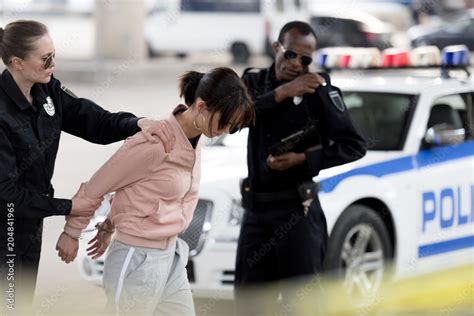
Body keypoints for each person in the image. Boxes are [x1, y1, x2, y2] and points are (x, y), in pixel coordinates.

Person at [0, 20, 174, 315]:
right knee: (10, 303)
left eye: (54, 54)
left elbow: (96, 122)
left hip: (31, 221)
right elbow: (6, 194)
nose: (53, 63)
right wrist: (69, 206)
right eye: (46, 58)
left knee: (20, 305)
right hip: (7, 223)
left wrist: (137, 123)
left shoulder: (48, 91)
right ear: (17, 62)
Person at [56, 67, 255, 315]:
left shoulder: (197, 140)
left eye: (234, 127)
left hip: (170, 255)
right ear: (202, 107)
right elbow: (98, 185)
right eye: (226, 122)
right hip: (137, 258)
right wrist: (72, 232)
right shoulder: (154, 142)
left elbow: (142, 189)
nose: (226, 130)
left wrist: (110, 223)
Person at [234, 21, 367, 313]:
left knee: (303, 305)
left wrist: (304, 159)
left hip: (297, 212)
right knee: (249, 303)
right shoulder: (254, 81)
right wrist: (282, 93)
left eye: (305, 59)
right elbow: (235, 121)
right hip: (256, 212)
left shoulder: (318, 89)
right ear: (276, 47)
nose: (296, 64)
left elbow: (354, 145)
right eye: (290, 54)